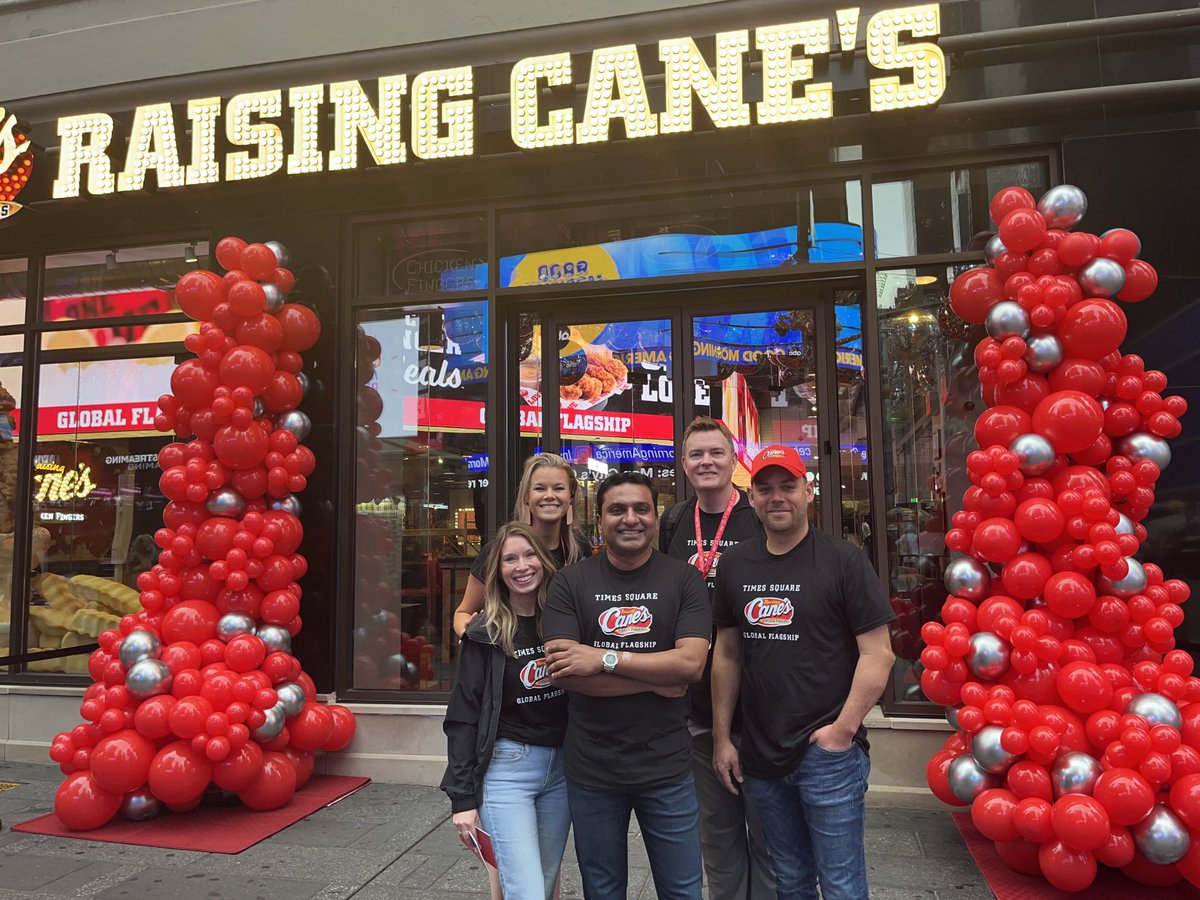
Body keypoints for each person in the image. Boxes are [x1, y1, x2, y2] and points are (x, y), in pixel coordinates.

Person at [711, 445, 896, 900]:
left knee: (841, 884)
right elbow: (727, 655)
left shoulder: (843, 560)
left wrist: (842, 731)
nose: (777, 497)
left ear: (808, 492)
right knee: (790, 881)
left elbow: (879, 655)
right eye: (765, 488)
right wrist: (721, 739)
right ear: (750, 497)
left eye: (788, 486)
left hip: (826, 755)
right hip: (761, 753)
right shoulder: (735, 563)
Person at [543, 471, 711, 900]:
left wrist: (604, 658)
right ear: (599, 520)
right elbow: (566, 673)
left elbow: (691, 664)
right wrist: (658, 679)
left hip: (667, 768)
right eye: (617, 510)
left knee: (683, 891)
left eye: (641, 509)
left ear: (656, 517)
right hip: (592, 770)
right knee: (602, 890)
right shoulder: (569, 582)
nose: (629, 519)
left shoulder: (684, 579)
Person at [660, 417, 775, 900]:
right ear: (684, 464)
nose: (706, 461)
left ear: (734, 460)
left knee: (771, 841)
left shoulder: (758, 514)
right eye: (696, 454)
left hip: (763, 706)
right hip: (699, 709)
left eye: (715, 453)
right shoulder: (672, 521)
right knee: (718, 838)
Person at [441, 523, 571, 900]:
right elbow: (463, 715)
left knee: (545, 887)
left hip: (563, 771)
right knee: (525, 891)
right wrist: (462, 800)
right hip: (508, 771)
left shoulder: (565, 623)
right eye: (510, 559)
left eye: (530, 555)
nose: (522, 566)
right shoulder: (484, 632)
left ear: (544, 561)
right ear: (497, 571)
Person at [455, 453, 590, 638]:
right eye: (540, 488)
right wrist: (468, 636)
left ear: (571, 495)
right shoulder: (500, 548)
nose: (549, 496)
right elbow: (463, 613)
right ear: (526, 496)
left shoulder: (580, 548)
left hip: (565, 658)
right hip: (513, 659)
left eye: (558, 488)